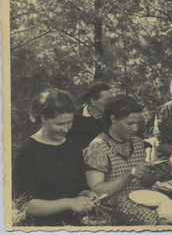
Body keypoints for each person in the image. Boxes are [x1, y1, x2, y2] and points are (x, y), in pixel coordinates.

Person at [12, 89, 97, 226]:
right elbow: (25, 206)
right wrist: (68, 203)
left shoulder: (74, 149)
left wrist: (87, 195)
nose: (66, 129)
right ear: (43, 118)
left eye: (69, 122)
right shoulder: (27, 151)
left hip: (73, 223)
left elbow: (81, 187)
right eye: (59, 124)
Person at [83, 95, 159, 225]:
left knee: (171, 210)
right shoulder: (98, 147)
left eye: (137, 123)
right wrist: (128, 174)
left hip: (139, 199)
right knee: (156, 220)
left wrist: (154, 174)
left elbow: (143, 182)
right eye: (130, 123)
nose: (135, 128)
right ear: (113, 119)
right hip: (111, 206)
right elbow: (97, 192)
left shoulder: (137, 142)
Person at [67, 82, 112, 149]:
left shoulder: (111, 119)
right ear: (93, 101)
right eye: (107, 101)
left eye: (111, 100)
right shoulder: (73, 119)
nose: (111, 103)